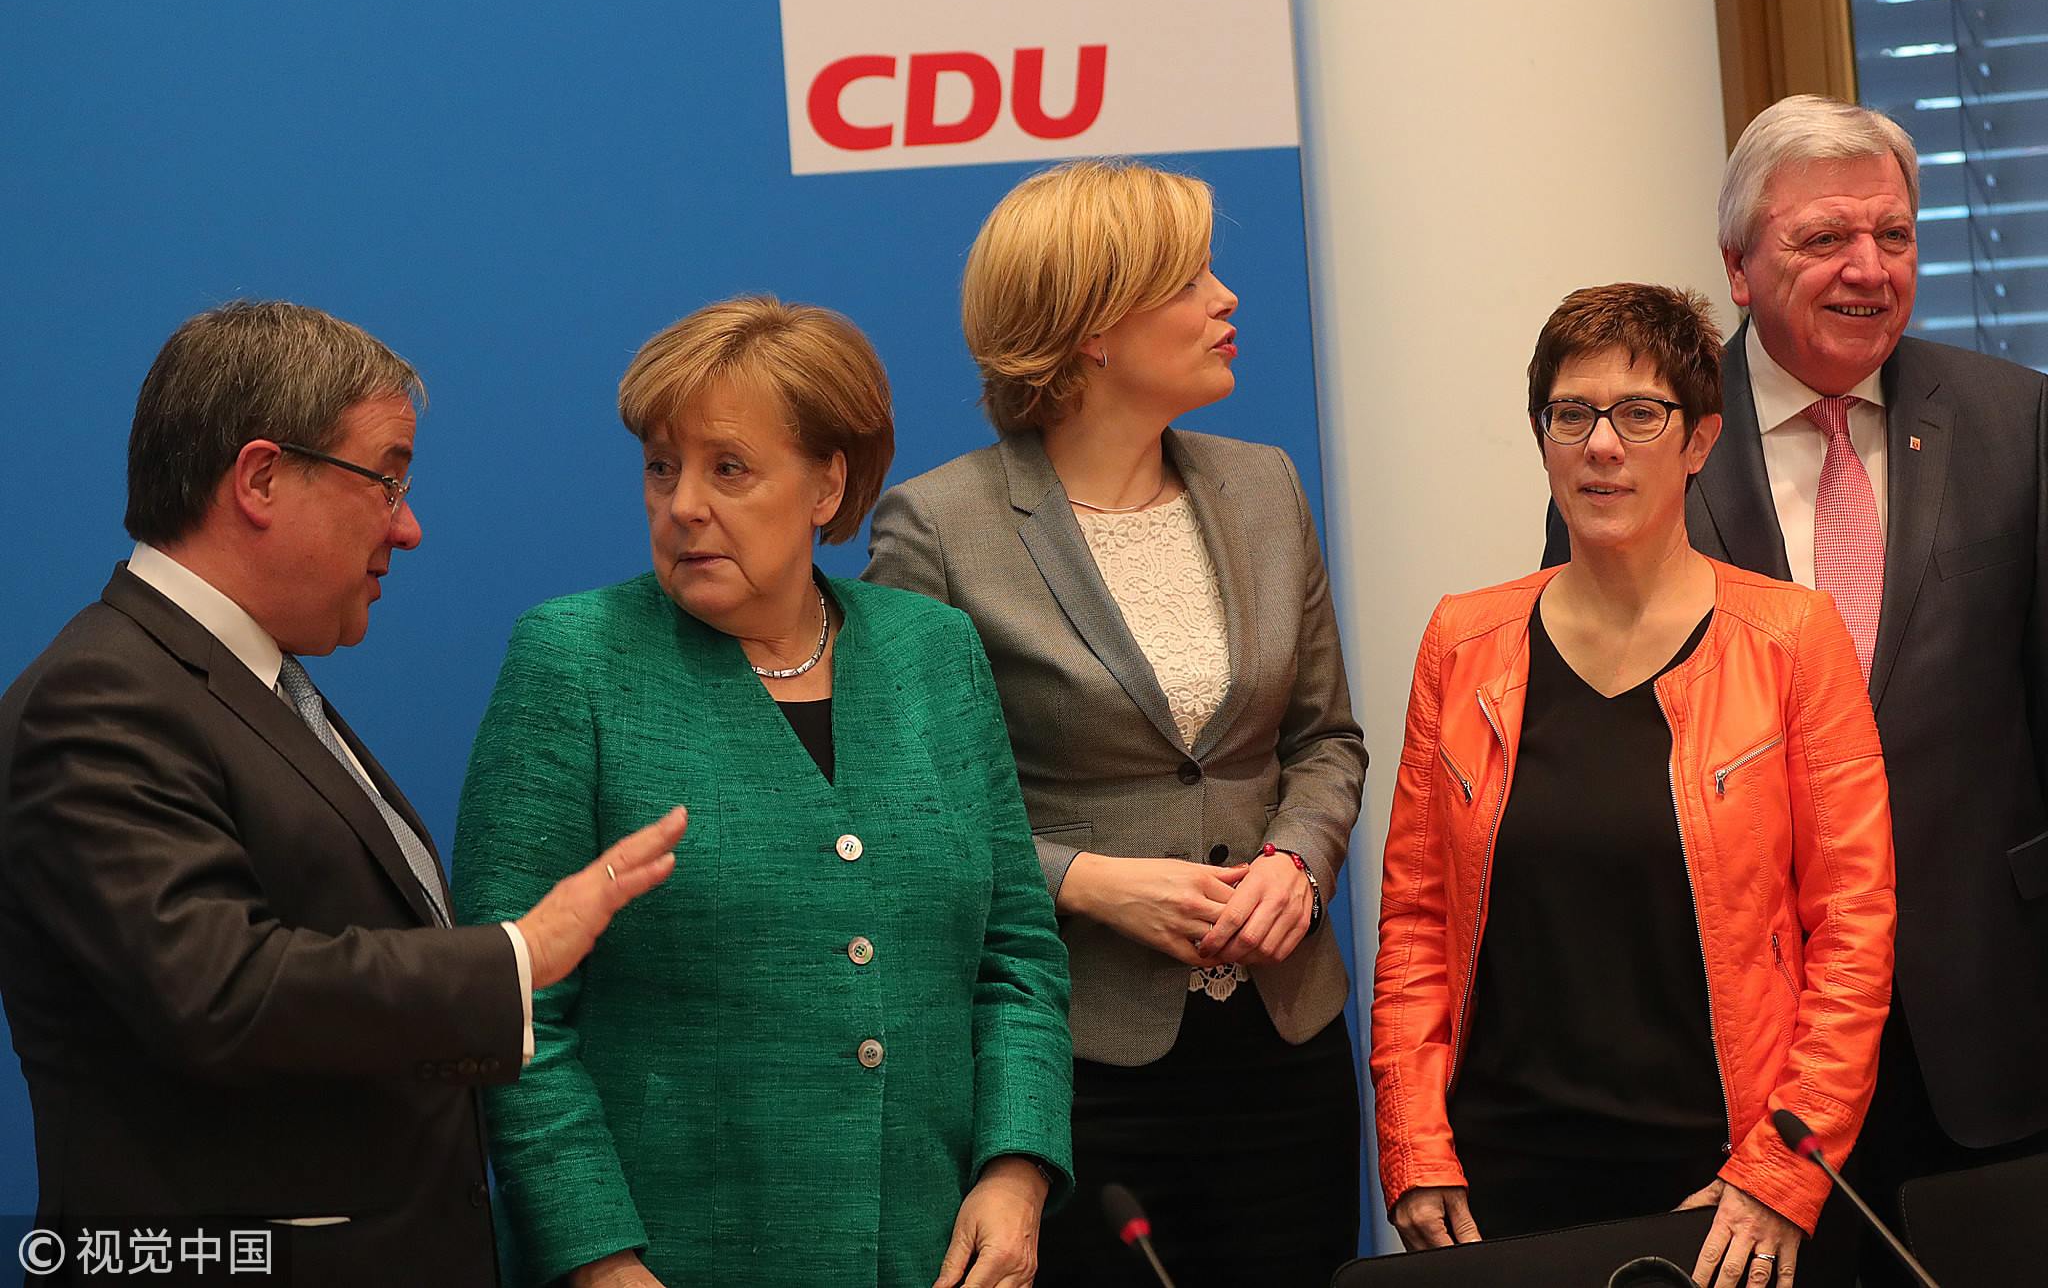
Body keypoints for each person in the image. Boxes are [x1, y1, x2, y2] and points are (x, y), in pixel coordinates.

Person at [0, 300, 684, 1288]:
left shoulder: (253, 683)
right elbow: (219, 993)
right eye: (387, 478)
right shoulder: (101, 697)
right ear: (261, 478)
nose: (408, 526)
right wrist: (517, 957)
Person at [452, 296, 1072, 1288]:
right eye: (661, 467)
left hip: (927, 1253)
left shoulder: (934, 652)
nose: (682, 505)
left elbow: (1016, 956)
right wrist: (597, 1261)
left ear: (829, 482)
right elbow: (513, 1009)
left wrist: (1016, 1169)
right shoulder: (572, 662)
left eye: (728, 468)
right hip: (666, 1259)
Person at [1543, 95, 2048, 1282]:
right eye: (1823, 238)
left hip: (1977, 1014)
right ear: (1736, 266)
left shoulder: (2013, 419)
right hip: (1738, 1040)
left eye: (1893, 235)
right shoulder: (1639, 438)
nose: (1867, 267)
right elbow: (1600, 741)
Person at [865, 158, 1367, 1287]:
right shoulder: (937, 527)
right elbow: (900, 810)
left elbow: (1325, 740)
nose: (1226, 299)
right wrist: (1089, 882)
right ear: (1092, 328)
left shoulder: (1265, 486)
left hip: (1285, 1048)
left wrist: (1298, 858)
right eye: (1189, 279)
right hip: (1076, 1060)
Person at [1379, 283, 1896, 1288]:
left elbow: (1853, 929)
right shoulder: (1462, 641)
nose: (1601, 446)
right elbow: (1415, 921)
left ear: (1699, 440)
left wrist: (1782, 1170)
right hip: (1500, 1179)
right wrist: (1412, 1143)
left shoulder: (1793, 639)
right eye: (1570, 414)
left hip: (1720, 1182)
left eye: (1639, 413)